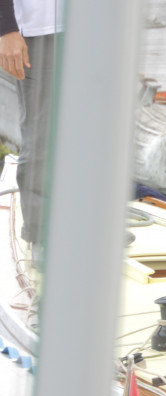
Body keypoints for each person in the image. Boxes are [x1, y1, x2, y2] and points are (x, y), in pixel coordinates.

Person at [0, 0, 63, 257]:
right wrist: (6, 29)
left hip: (94, 28)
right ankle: (41, 236)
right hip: (39, 30)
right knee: (42, 138)